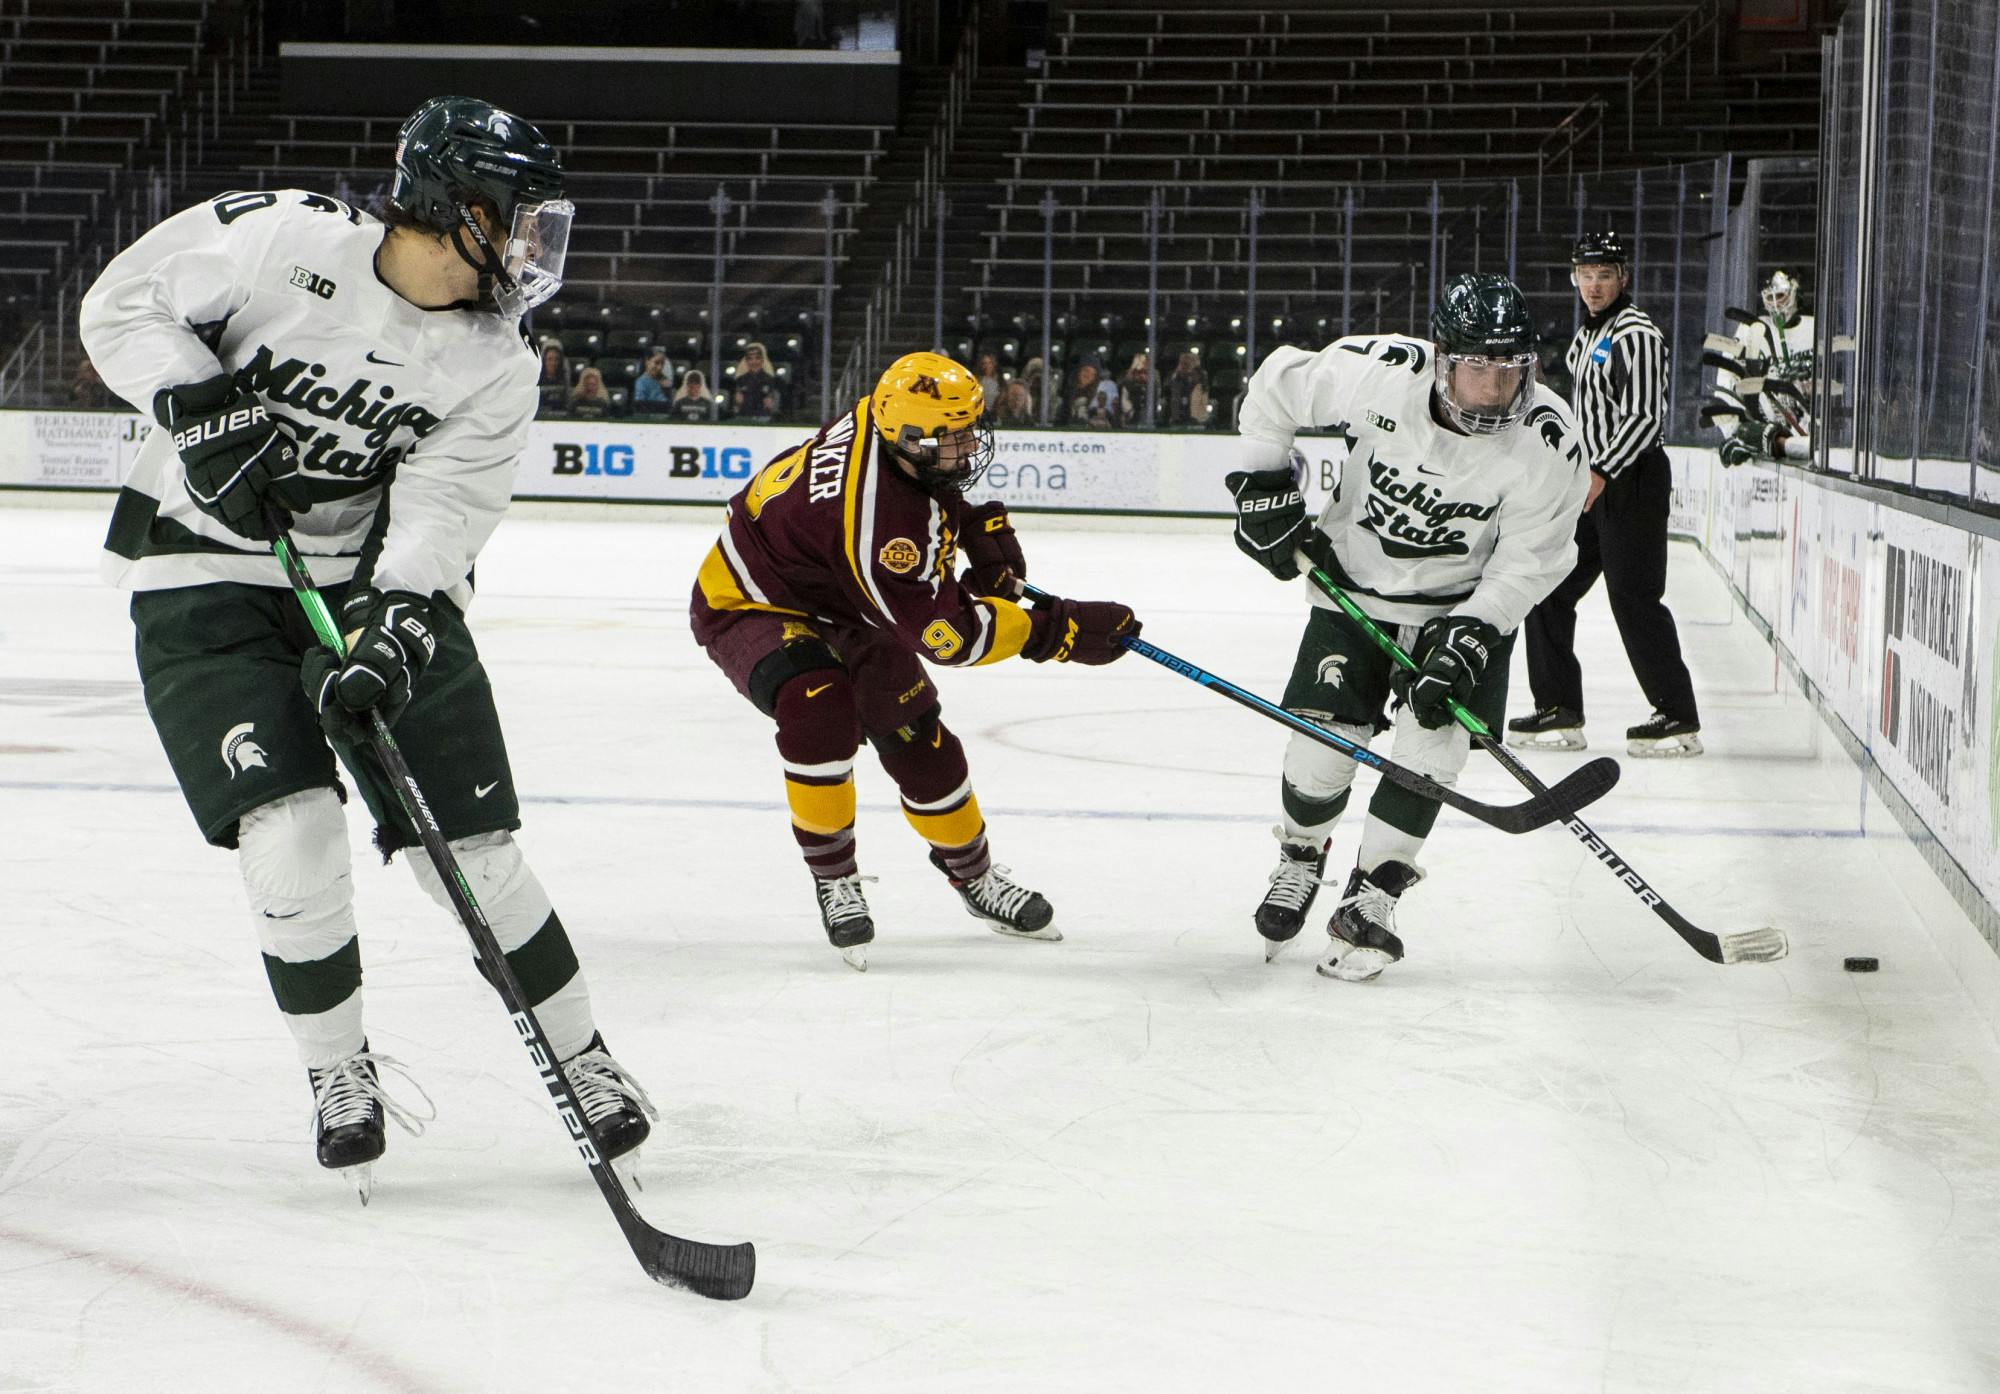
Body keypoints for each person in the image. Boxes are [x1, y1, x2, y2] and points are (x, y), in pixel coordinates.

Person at [76, 95, 657, 1196]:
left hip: (361, 581)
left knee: (472, 848)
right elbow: (123, 304)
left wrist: (394, 624)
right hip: (201, 575)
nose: (534, 245)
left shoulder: (497, 360)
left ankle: (581, 1057)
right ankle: (337, 1071)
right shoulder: (279, 239)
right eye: (517, 216)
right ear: (452, 204)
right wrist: (199, 408)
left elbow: (445, 507)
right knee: (290, 831)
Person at [689, 351, 1141, 970]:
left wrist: (976, 529)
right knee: (819, 706)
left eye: (966, 431)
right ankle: (834, 876)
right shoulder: (880, 525)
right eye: (952, 438)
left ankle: (973, 877)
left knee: (917, 737)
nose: (967, 446)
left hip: (845, 597)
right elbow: (948, 637)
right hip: (752, 601)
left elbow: (926, 499)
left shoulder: (883, 419)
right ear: (907, 437)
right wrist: (1060, 630)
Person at [1226, 273, 1589, 981]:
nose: (1491, 388)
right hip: (1353, 590)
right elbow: (1275, 385)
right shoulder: (1382, 372)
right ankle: (1302, 856)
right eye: (1475, 366)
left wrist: (1476, 630)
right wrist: (1264, 485)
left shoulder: (1549, 440)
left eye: (1507, 370)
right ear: (1441, 355)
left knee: (1429, 761)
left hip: (1461, 613)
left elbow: (1534, 558)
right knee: (1320, 754)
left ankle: (1371, 896)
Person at [1508, 230, 1703, 758]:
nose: (1593, 286)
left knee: (1634, 598)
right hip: (1591, 482)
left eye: (1604, 276)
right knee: (1549, 587)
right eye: (1586, 275)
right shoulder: (1591, 334)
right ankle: (1558, 707)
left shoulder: (1636, 333)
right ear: (1575, 277)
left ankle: (1678, 716)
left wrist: (1601, 473)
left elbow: (1644, 418)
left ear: (1623, 278)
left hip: (1630, 481)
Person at [1709, 269, 1814, 467]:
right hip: (1770, 432)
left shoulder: (1814, 329)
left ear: (1794, 293)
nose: (1775, 303)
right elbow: (1726, 379)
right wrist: (1734, 430)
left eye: (1781, 296)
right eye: (1770, 297)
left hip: (1807, 433)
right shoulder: (1752, 329)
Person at [730, 341, 781, 419]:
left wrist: (771, 402)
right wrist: (737, 402)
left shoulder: (770, 380)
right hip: (743, 417)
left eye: (757, 358)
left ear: (762, 360)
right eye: (750, 359)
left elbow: (773, 403)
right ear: (746, 361)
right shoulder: (740, 380)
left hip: (763, 418)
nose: (754, 362)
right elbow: (736, 404)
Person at [1165, 351, 1210, 428]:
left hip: (1196, 418)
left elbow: (1203, 387)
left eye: (1186, 363)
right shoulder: (1176, 376)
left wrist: (1191, 374)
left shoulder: (1201, 376)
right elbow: (1167, 386)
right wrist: (1177, 374)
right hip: (1177, 416)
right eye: (1182, 363)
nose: (1184, 366)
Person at [1116, 350, 1151, 425]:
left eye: (1144, 372)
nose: (1142, 375)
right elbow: (1124, 404)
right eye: (1138, 372)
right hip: (1131, 414)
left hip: (1147, 416)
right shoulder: (1126, 384)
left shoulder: (1151, 384)